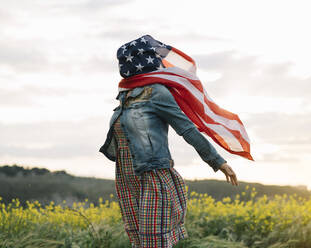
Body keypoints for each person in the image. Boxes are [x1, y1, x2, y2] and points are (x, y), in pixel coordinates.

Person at [99, 35, 251, 248]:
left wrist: (217, 161)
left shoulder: (157, 92)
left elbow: (187, 129)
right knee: (139, 243)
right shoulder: (125, 95)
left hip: (153, 175)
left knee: (153, 243)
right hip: (127, 177)